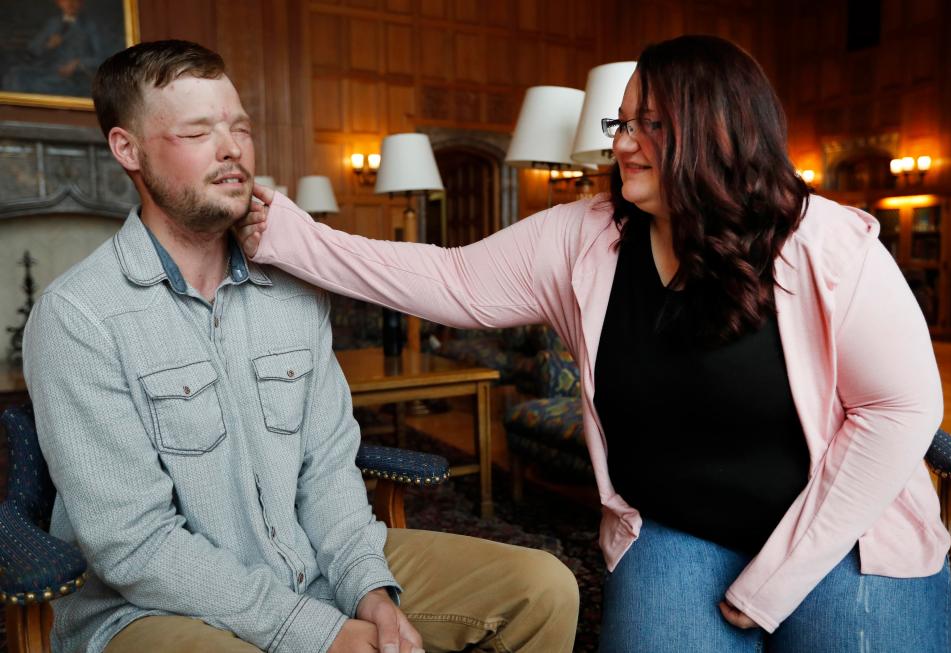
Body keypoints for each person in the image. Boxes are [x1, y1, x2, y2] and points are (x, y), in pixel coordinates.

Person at [237, 35, 951, 652]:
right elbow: (449, 278)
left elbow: (900, 410)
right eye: (622, 122)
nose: (621, 143)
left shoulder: (826, 241)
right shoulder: (585, 236)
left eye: (651, 124)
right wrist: (294, 238)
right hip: (678, 528)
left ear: (720, 131)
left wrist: (779, 577)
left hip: (837, 530)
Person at [23, 39, 579, 653]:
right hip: (150, 608)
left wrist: (369, 591)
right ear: (127, 148)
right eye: (198, 132)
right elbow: (136, 546)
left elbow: (329, 473)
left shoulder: (292, 291)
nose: (232, 148)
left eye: (240, 127)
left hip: (313, 565)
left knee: (544, 588)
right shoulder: (78, 316)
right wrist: (319, 632)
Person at [3, 0, 105, 96]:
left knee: (39, 84)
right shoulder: (53, 23)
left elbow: (101, 58)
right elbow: (33, 49)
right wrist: (48, 45)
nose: (70, 3)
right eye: (65, 0)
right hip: (48, 70)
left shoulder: (90, 26)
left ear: (81, 3)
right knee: (15, 75)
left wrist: (77, 63)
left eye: (75, 0)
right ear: (59, 3)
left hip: (74, 76)